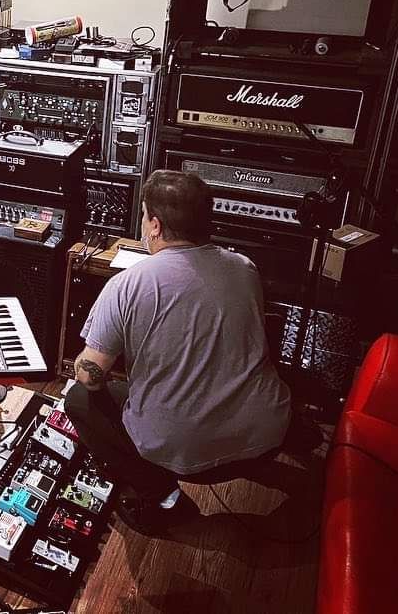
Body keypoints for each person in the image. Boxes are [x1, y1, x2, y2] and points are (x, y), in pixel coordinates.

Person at [65, 169, 291, 535]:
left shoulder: (127, 284)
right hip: (266, 438)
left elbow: (89, 376)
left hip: (187, 456)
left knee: (79, 400)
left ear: (154, 225)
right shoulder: (245, 267)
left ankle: (163, 498)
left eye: (144, 216)